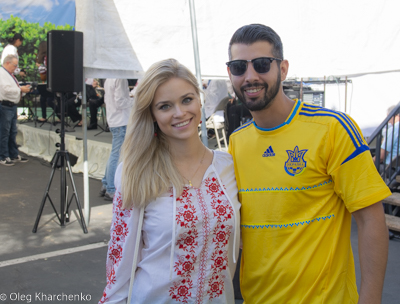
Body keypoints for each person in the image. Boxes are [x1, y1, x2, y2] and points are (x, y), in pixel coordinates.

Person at [226, 24, 391, 303]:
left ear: (284, 68)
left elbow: (371, 219)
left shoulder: (332, 128)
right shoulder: (236, 142)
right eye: (239, 66)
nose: (250, 76)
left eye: (263, 64)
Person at [99, 59, 240, 303]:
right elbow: (120, 260)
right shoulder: (135, 172)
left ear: (199, 99)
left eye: (187, 100)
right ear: (152, 115)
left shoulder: (227, 167)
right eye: (165, 106)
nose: (179, 113)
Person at [99, 78, 134, 200]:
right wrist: (135, 100)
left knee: (114, 154)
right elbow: (121, 102)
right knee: (116, 155)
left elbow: (109, 99)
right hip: (121, 120)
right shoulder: (120, 78)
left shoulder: (109, 78)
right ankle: (111, 189)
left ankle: (106, 183)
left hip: (114, 119)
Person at [0, 55, 31, 166]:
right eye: (14, 65)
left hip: (11, 106)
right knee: (5, 132)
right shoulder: (2, 73)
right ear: (8, 63)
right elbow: (5, 89)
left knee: (12, 131)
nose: (16, 67)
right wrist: (20, 89)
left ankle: (13, 154)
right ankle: (3, 156)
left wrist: (21, 88)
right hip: (5, 106)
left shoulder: (8, 74)